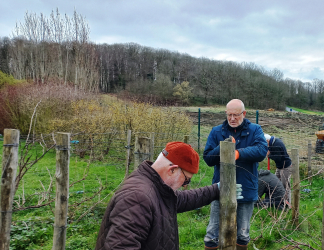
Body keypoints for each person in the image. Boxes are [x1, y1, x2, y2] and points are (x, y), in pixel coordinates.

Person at [95, 142, 222, 250]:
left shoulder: (155, 188)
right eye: (186, 180)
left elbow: (182, 199)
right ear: (172, 169)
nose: (185, 185)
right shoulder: (137, 198)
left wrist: (216, 189)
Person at [203, 99, 268, 250]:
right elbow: (208, 159)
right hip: (220, 188)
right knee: (212, 234)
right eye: (229, 115)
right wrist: (224, 147)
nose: (232, 119)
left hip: (246, 188)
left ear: (244, 114)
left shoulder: (255, 130)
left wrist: (238, 153)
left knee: (243, 234)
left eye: (236, 115)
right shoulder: (217, 131)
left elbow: (261, 151)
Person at [264, 133, 292, 206]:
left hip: (285, 167)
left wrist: (269, 155)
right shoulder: (272, 142)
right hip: (279, 167)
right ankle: (278, 201)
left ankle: (287, 204)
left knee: (285, 185)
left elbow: (278, 158)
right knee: (275, 183)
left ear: (267, 140)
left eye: (264, 142)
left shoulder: (276, 144)